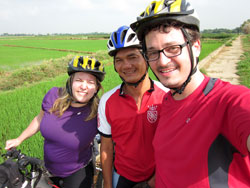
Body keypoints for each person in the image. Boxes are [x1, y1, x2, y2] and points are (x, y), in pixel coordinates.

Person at [130, 0, 250, 187]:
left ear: (196, 46)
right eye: (152, 52)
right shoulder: (167, 101)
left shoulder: (229, 100)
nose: (162, 62)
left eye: (173, 48)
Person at [5, 56, 105, 188]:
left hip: (77, 172)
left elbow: (111, 139)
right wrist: (19, 139)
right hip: (47, 169)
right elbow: (39, 119)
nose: (84, 86)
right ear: (70, 83)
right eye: (79, 80)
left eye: (91, 82)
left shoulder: (99, 111)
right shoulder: (53, 95)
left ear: (97, 87)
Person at [97, 25, 169, 188]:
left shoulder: (167, 95)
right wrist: (107, 185)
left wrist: (155, 179)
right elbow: (106, 147)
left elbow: (177, 144)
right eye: (119, 60)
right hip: (123, 177)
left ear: (147, 57)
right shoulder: (107, 101)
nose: (126, 65)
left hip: (161, 177)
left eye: (132, 57)